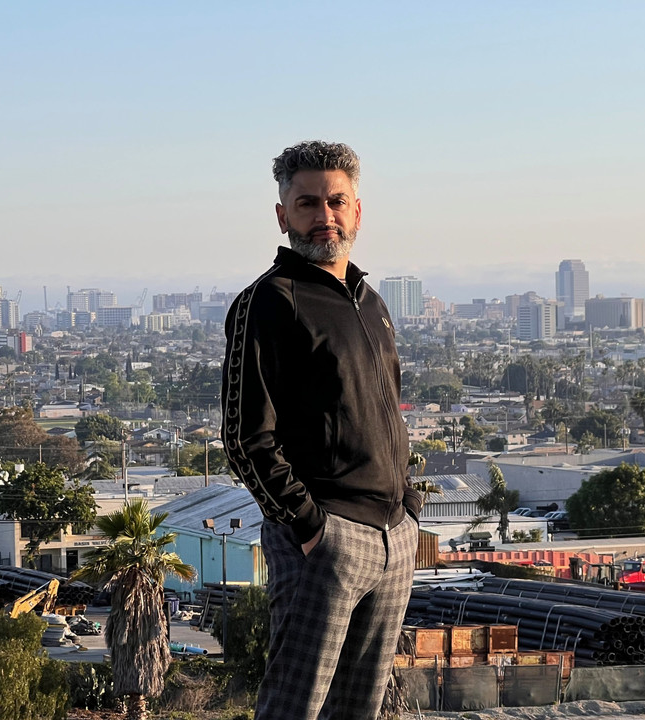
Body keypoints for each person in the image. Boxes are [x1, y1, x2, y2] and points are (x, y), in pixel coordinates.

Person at [221, 140, 422, 720]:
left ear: (357, 211)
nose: (324, 215)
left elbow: (387, 413)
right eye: (307, 203)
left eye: (336, 201)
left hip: (393, 536)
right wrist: (309, 527)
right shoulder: (269, 302)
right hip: (326, 542)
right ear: (283, 215)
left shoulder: (370, 301)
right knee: (294, 706)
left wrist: (407, 507)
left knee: (359, 710)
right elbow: (244, 437)